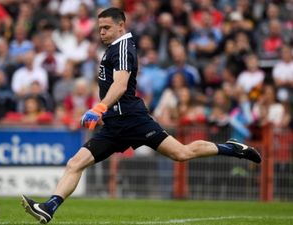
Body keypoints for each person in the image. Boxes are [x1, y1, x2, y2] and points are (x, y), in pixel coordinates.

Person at [21, 8, 261, 224]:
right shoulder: (113, 49)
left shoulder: (123, 47)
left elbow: (121, 84)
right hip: (115, 126)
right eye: (100, 28)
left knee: (181, 153)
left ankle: (233, 149)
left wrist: (100, 107)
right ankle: (49, 207)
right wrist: (105, 111)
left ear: (121, 26)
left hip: (134, 121)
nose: (102, 32)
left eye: (106, 28)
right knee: (75, 163)